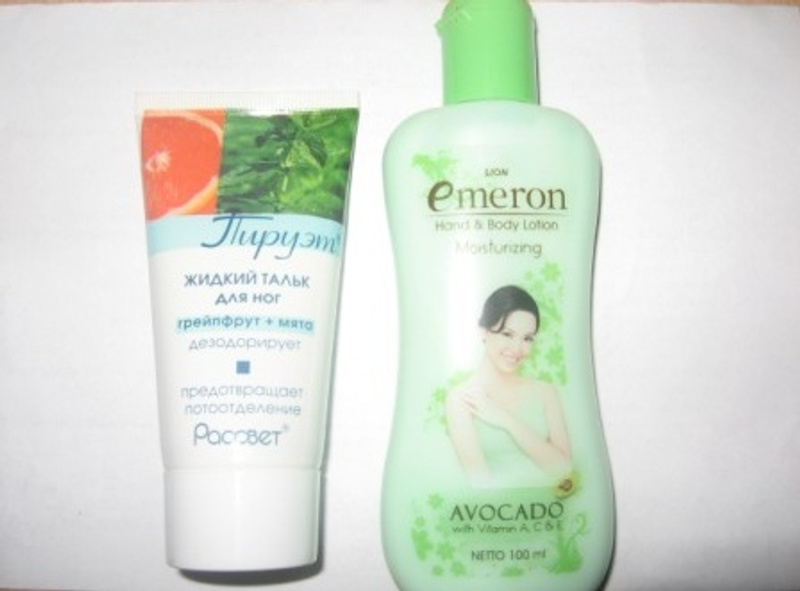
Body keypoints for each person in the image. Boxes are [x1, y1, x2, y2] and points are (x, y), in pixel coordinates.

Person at [445, 285, 572, 488]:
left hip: (548, 502)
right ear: (483, 332)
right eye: (507, 334)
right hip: (495, 506)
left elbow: (564, 471)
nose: (517, 348)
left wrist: (506, 420)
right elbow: (480, 484)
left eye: (527, 338)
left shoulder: (545, 392)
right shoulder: (461, 399)